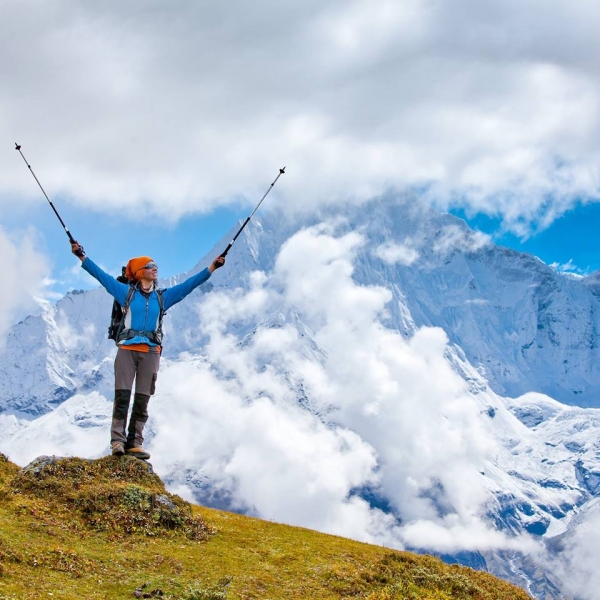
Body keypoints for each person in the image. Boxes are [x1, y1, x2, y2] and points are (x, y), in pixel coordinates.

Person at [71, 241, 225, 460]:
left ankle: (135, 443)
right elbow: (101, 276)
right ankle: (117, 441)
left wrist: (211, 268)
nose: (155, 268)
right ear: (140, 272)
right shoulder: (124, 292)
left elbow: (189, 285)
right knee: (122, 397)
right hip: (126, 350)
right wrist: (81, 256)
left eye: (155, 265)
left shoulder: (162, 297)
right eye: (150, 266)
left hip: (151, 353)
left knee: (143, 399)